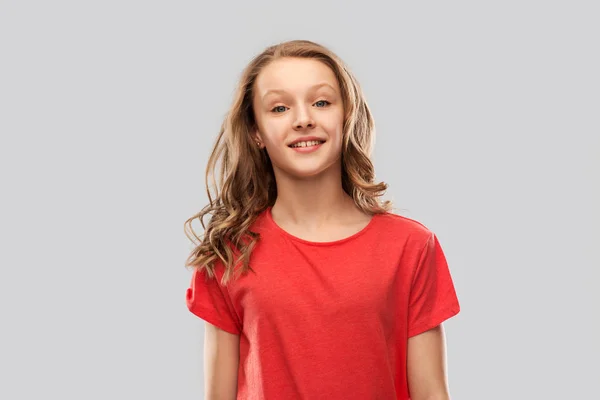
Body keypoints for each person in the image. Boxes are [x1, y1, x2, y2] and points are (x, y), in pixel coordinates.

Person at [184, 39, 460, 400]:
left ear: (346, 116)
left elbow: (432, 394)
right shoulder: (230, 252)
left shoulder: (410, 246)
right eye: (280, 108)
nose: (303, 119)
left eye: (321, 102)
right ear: (256, 132)